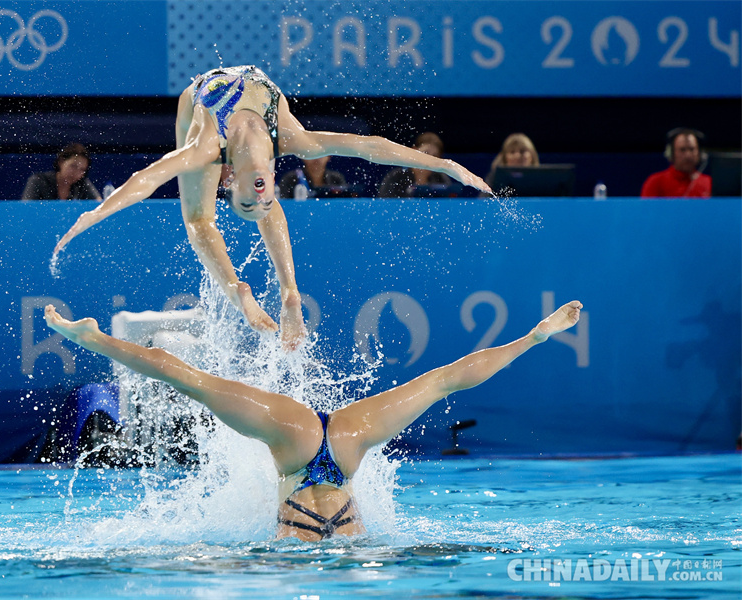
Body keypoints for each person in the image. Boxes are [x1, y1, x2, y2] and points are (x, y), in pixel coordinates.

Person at [44, 299, 583, 541]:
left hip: (313, 448)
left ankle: (95, 337)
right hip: (333, 452)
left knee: (196, 383)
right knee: (440, 381)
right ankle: (533, 337)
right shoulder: (350, 512)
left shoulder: (308, 453)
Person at [52, 66, 491, 351]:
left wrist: (445, 164)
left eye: (252, 197)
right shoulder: (279, 140)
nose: (260, 192)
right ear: (230, 178)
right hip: (211, 98)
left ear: (230, 179)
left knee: (198, 218)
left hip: (216, 98)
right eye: (258, 197)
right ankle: (282, 292)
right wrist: (91, 215)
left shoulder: (210, 146)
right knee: (200, 216)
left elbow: (145, 181)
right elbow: (368, 148)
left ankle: (266, 291)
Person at [641, 128, 711, 198]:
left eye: (692, 149)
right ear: (671, 153)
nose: (688, 155)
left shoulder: (709, 183)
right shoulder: (655, 182)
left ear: (700, 153)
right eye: (682, 150)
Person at [377, 132, 452, 198]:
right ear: (414, 151)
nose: (429, 159)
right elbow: (384, 205)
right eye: (426, 153)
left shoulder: (441, 179)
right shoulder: (396, 177)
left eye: (434, 156)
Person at [22, 143, 102, 201]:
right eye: (73, 166)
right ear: (61, 162)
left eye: (82, 169)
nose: (76, 172)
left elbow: (98, 207)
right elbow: (27, 209)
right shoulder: (38, 181)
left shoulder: (83, 184)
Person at [277, 156, 347, 198]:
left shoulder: (337, 179)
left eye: (321, 154)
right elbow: (283, 203)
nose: (316, 158)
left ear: (328, 156)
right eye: (311, 153)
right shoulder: (290, 179)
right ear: (302, 156)